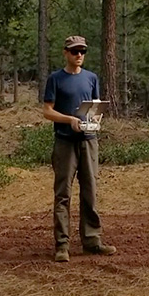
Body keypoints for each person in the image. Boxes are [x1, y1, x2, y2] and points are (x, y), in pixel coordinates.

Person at [43, 35, 116, 262]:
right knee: (63, 194)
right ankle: (62, 245)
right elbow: (47, 111)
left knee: (90, 192)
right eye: (75, 51)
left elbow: (94, 107)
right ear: (65, 52)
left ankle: (92, 240)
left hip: (89, 141)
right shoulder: (55, 79)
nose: (79, 56)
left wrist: (95, 120)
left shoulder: (91, 78)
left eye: (82, 51)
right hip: (65, 142)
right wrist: (69, 120)